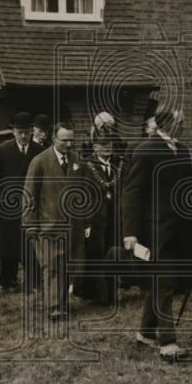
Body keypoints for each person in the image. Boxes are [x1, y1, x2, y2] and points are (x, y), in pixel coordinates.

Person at [122, 108, 192, 362]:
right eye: (182, 122)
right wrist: (130, 233)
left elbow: (188, 190)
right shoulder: (145, 150)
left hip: (179, 230)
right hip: (154, 230)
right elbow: (132, 194)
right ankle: (168, 342)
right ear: (169, 124)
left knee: (160, 282)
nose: (185, 125)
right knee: (164, 283)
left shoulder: (182, 150)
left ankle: (146, 333)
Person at [22, 121, 88, 320]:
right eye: (64, 140)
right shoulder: (40, 161)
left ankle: (62, 302)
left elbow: (84, 191)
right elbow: (29, 194)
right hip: (47, 225)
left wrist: (85, 220)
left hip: (72, 225)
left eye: (71, 140)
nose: (69, 145)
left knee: (66, 264)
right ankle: (54, 307)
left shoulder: (78, 160)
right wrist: (30, 225)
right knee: (51, 265)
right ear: (53, 139)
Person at [0, 111, 41, 292]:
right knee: (7, 245)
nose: (23, 136)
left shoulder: (39, 151)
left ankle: (33, 281)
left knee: (31, 245)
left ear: (32, 131)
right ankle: (6, 281)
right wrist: (0, 200)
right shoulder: (2, 150)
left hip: (31, 207)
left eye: (26, 131)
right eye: (19, 132)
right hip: (8, 206)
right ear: (14, 132)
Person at [77, 128, 123, 305]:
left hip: (114, 218)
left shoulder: (119, 163)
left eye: (109, 145)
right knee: (95, 255)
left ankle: (111, 294)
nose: (107, 148)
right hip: (95, 219)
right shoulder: (87, 166)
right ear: (95, 147)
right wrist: (85, 221)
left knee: (113, 254)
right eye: (103, 145)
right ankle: (95, 293)